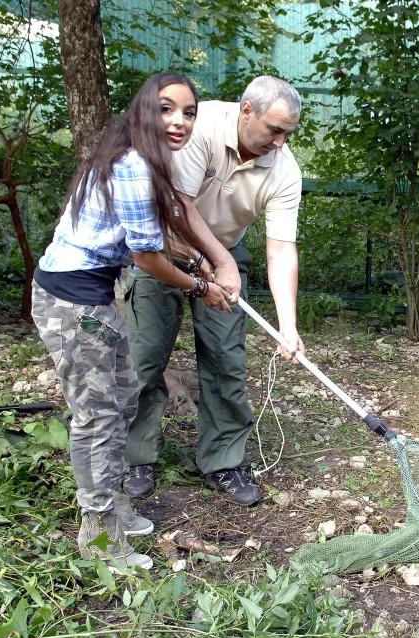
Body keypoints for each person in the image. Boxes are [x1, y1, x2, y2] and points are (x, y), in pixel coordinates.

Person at [32, 72, 238, 571]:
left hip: (95, 294)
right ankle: (99, 535)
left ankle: (115, 506)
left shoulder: (141, 161)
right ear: (144, 110)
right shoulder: (132, 166)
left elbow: (143, 238)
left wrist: (194, 258)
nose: (179, 121)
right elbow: (145, 258)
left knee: (124, 395)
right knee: (97, 417)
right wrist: (200, 287)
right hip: (72, 301)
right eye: (167, 108)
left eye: (189, 112)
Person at [123, 75, 305, 506]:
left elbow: (281, 250)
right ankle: (136, 456)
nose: (280, 142)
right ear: (246, 111)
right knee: (144, 355)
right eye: (274, 130)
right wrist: (211, 266)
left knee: (226, 360)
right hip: (163, 246)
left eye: (288, 134)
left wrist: (288, 325)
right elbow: (178, 209)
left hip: (225, 248)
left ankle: (224, 462)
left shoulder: (284, 169)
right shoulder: (198, 125)